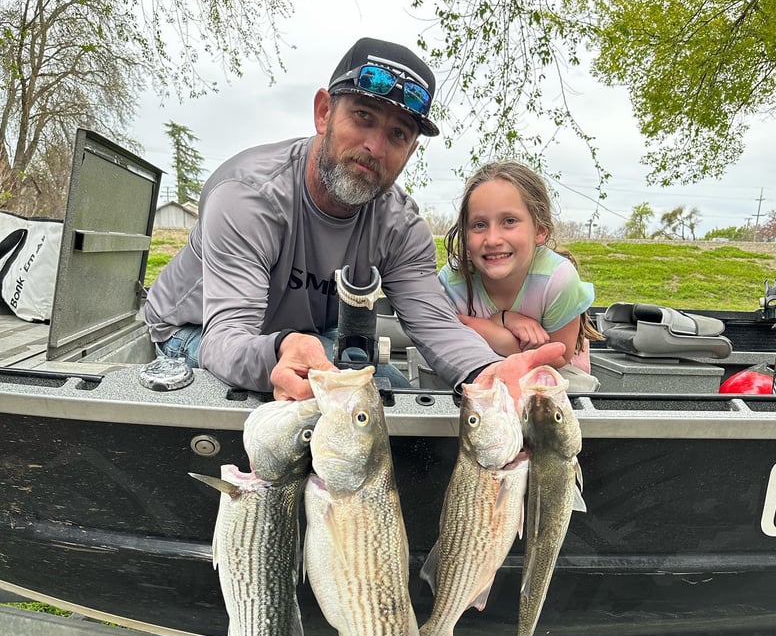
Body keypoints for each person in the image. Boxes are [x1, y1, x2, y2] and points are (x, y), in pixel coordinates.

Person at [144, 37, 564, 401]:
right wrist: (280, 351)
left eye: (398, 133)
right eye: (363, 116)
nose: (375, 147)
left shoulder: (401, 228)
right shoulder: (249, 197)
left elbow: (433, 323)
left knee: (392, 394)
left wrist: (483, 372)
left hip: (311, 341)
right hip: (195, 331)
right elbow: (226, 339)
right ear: (324, 112)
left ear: (410, 151)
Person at [438, 161, 600, 391]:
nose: (492, 239)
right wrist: (504, 321)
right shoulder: (454, 280)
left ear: (540, 230)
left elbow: (558, 355)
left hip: (546, 378)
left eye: (509, 221)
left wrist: (491, 333)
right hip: (475, 371)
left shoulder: (557, 279)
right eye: (479, 225)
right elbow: (447, 332)